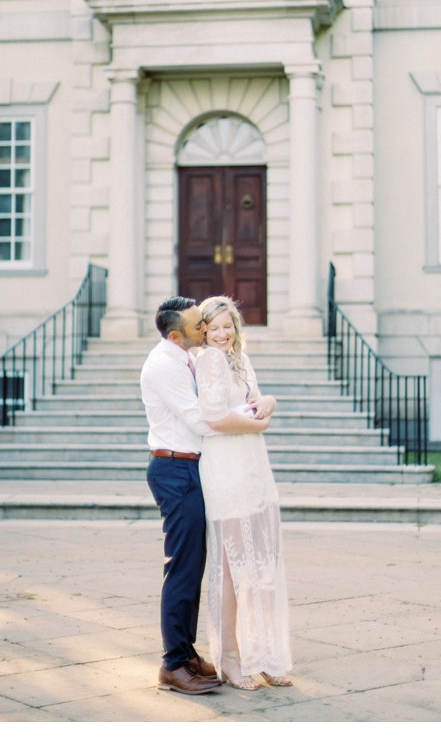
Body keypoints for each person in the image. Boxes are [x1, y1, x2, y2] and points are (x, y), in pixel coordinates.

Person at [140, 296, 275, 695]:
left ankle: (188, 652)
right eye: (199, 325)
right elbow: (204, 419)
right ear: (177, 333)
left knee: (194, 565)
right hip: (174, 468)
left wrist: (262, 401)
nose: (206, 329)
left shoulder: (187, 357)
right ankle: (173, 663)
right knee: (181, 568)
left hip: (190, 466)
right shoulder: (165, 365)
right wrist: (257, 421)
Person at [195, 295, 293, 690]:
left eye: (227, 326)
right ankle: (231, 659)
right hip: (226, 467)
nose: (221, 334)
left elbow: (255, 402)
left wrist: (270, 400)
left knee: (261, 565)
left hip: (253, 466)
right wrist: (260, 425)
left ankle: (263, 654)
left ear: (236, 327)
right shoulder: (209, 360)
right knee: (234, 570)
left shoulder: (239, 358)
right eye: (214, 327)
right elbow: (215, 417)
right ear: (204, 330)